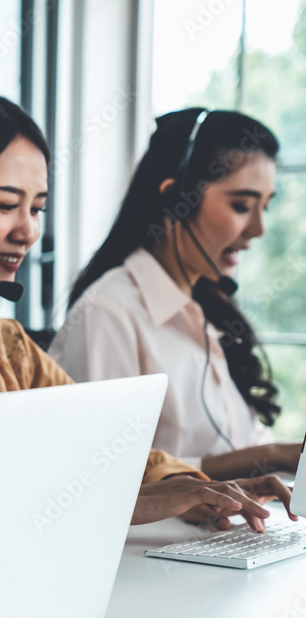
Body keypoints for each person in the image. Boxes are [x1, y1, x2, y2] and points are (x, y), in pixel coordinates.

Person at [0, 91, 293, 553]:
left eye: (37, 208)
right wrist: (117, 501)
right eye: (4, 205)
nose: (28, 231)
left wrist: (201, 490)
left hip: (4, 588)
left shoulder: (9, 346)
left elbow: (111, 448)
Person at [49, 108, 301, 482]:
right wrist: (271, 456)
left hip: (235, 535)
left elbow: (242, 441)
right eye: (241, 205)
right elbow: (103, 474)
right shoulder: (107, 314)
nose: (259, 229)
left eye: (264, 207)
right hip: (156, 541)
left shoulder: (210, 309)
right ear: (175, 201)